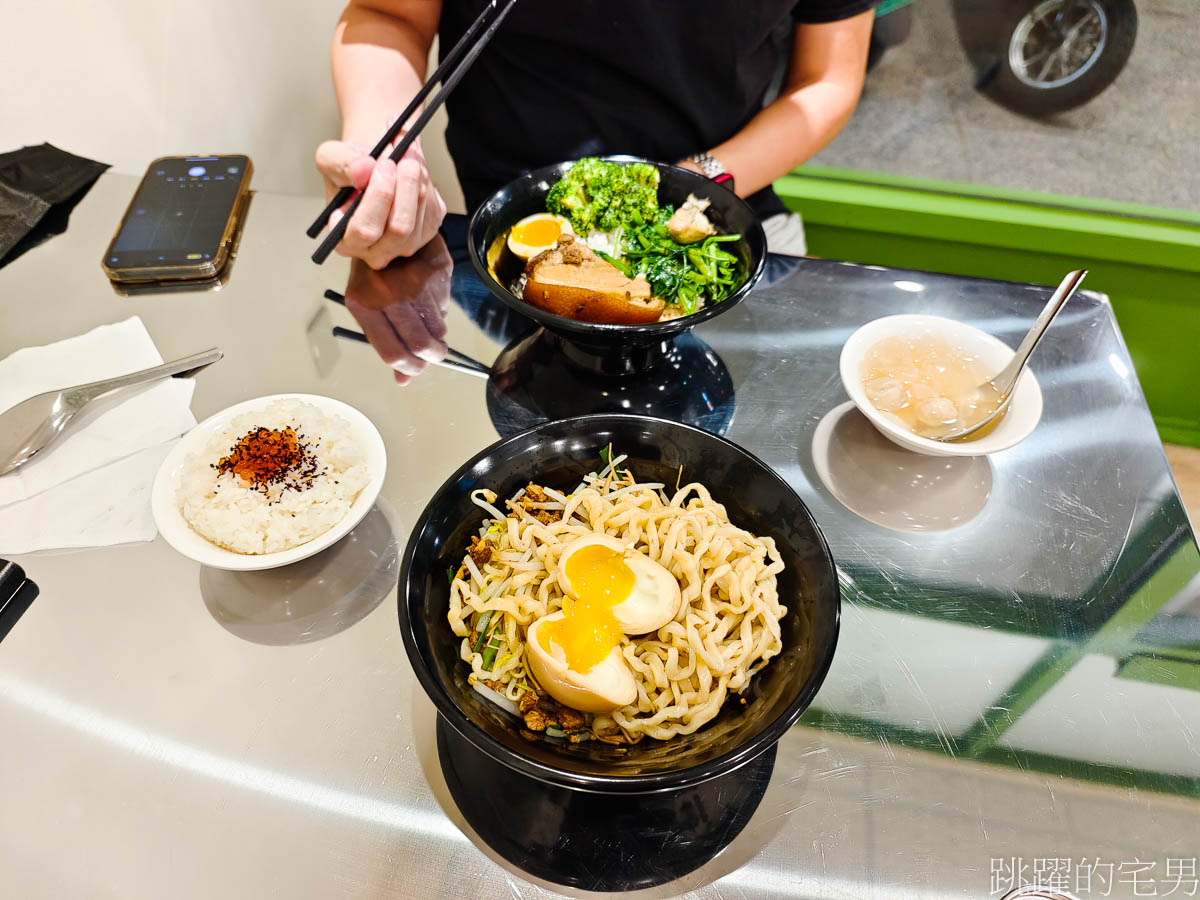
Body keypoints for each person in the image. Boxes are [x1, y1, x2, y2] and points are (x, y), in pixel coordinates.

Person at [316, 0, 877, 273]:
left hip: (723, 200)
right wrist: (386, 159)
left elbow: (827, 78)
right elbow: (387, 15)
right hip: (510, 232)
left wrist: (697, 184)